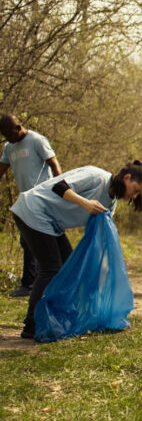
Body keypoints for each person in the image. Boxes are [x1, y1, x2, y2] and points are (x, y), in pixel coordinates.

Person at [12, 160, 142, 339]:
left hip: (51, 222)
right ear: (127, 177)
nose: (134, 196)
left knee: (69, 268)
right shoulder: (96, 176)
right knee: (51, 268)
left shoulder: (111, 202)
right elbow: (59, 186)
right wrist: (86, 203)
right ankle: (31, 324)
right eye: (136, 190)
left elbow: (101, 235)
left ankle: (55, 316)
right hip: (33, 209)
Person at [0, 114, 63, 297]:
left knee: (39, 240)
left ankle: (31, 284)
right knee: (28, 240)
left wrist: (61, 188)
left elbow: (54, 163)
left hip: (44, 197)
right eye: (4, 136)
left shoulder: (36, 140)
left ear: (18, 127)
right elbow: (2, 169)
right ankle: (32, 282)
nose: (8, 139)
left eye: (9, 134)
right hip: (26, 200)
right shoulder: (9, 147)